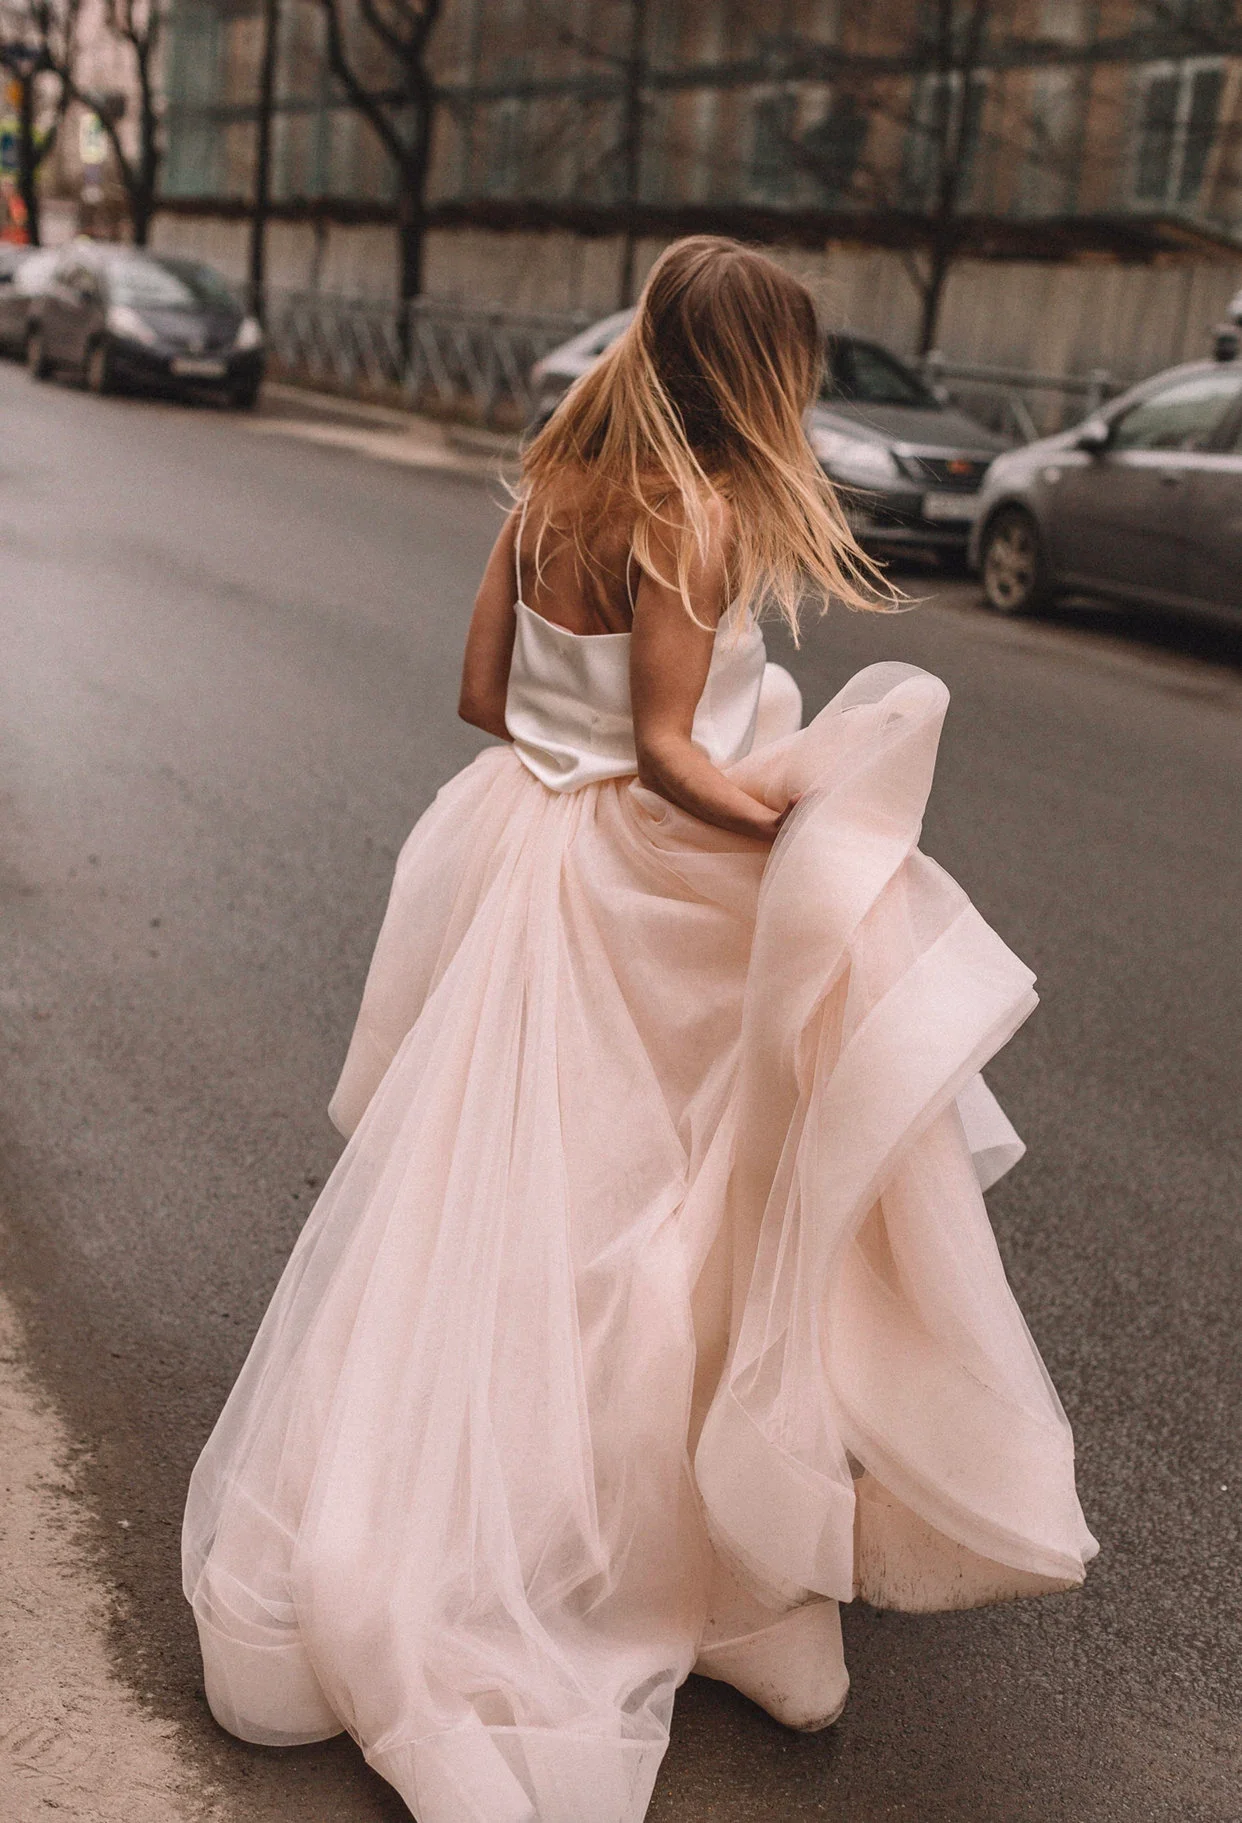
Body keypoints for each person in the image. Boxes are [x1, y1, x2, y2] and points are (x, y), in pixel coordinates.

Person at [183, 236, 1096, 1823]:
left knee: (506, 1203)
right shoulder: (691, 512)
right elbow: (674, 750)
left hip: (523, 846)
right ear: (748, 371)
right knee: (662, 1206)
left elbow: (484, 695)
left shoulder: (552, 486)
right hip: (636, 889)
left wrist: (570, 758)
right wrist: (802, 838)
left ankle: (513, 1493)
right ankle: (658, 1548)